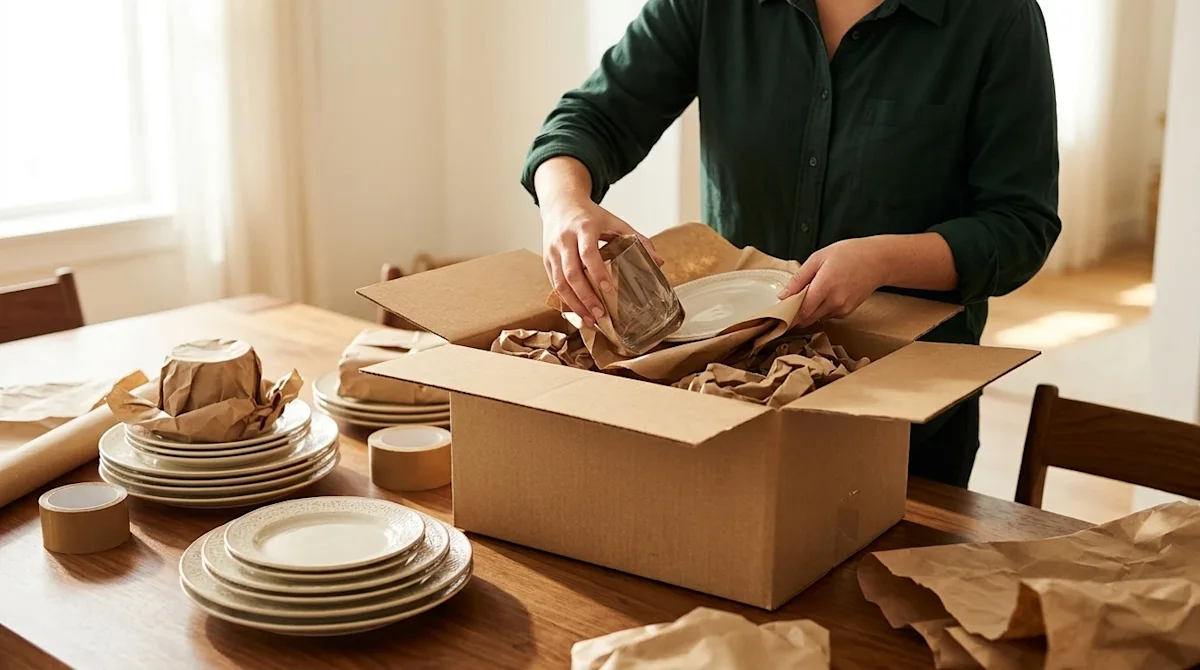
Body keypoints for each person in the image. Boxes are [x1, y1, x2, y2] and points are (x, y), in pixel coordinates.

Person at [521, 0, 1060, 488]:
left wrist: (881, 259)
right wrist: (566, 205)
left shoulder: (997, 18)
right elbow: (592, 118)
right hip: (729, 393)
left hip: (905, 412)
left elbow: (1020, 225)